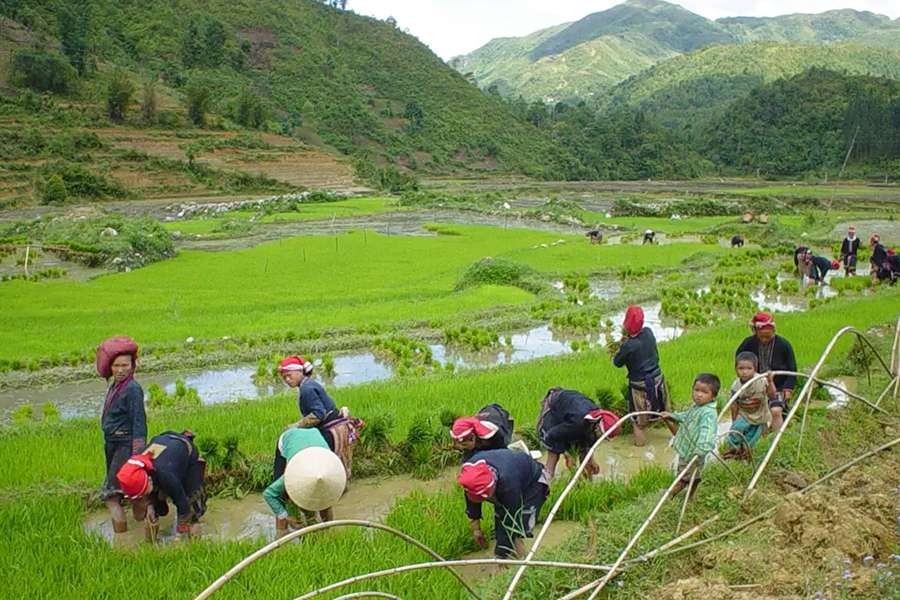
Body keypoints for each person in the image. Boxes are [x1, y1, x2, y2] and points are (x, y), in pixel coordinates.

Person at [278, 356, 363, 480]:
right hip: (337, 427)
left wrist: (296, 426)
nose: (287, 379)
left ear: (299, 372)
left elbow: (319, 414)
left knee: (332, 469)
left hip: (333, 431)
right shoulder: (309, 384)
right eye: (284, 377)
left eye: (289, 375)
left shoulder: (306, 389)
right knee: (339, 469)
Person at [458, 448, 550, 559]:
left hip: (532, 483)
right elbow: (472, 503)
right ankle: (519, 557)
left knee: (520, 525)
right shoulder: (471, 473)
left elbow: (511, 521)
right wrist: (476, 530)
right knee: (501, 520)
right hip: (508, 470)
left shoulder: (508, 485)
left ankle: (522, 561)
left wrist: (499, 556)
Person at [116, 430, 206, 540]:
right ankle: (151, 543)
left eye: (143, 494)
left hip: (186, 454)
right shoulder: (135, 469)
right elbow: (139, 503)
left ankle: (195, 546)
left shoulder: (166, 476)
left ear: (148, 480)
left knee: (192, 512)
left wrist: (179, 537)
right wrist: (149, 508)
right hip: (165, 447)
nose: (143, 497)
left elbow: (183, 508)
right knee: (153, 511)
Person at [97, 337, 147, 534]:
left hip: (124, 446)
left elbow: (139, 423)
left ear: (133, 366)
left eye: (125, 365)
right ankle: (144, 525)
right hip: (113, 444)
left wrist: (137, 457)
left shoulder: (133, 389)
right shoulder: (116, 385)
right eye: (116, 366)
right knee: (131, 492)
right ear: (110, 367)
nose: (120, 370)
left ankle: (122, 539)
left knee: (110, 494)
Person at [613, 305, 670, 447]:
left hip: (640, 386)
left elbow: (617, 362)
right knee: (667, 414)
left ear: (626, 323)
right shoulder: (649, 333)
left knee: (638, 422)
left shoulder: (628, 346)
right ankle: (681, 438)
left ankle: (639, 453)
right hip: (658, 379)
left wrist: (621, 347)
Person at [536, 388, 620, 479]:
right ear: (597, 427)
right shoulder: (578, 422)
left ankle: (586, 483)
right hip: (554, 409)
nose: (601, 439)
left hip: (572, 415)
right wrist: (567, 454)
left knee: (585, 451)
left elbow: (587, 441)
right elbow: (552, 435)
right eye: (602, 436)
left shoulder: (594, 420)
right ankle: (546, 483)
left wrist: (591, 459)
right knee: (554, 454)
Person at [660, 373, 720, 500]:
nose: (698, 394)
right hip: (688, 449)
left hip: (695, 451)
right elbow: (686, 416)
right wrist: (672, 416)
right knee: (692, 474)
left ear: (713, 396)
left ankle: (670, 495)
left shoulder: (708, 413)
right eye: (696, 390)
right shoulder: (697, 407)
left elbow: (707, 432)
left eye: (704, 392)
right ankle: (690, 495)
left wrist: (701, 449)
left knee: (684, 475)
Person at [264, 427, 333, 536]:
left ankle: (327, 531)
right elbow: (269, 494)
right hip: (290, 439)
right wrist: (286, 516)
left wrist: (328, 529)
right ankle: (281, 535)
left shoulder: (331, 475)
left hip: (314, 438)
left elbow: (327, 502)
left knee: (325, 501)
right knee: (283, 497)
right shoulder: (292, 475)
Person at [735, 312, 797, 433]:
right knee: (751, 411)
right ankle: (754, 435)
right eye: (762, 336)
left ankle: (776, 438)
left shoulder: (784, 345)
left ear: (774, 332)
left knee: (776, 410)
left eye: (768, 336)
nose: (764, 340)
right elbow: (739, 364)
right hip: (755, 386)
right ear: (755, 332)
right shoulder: (747, 344)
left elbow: (792, 369)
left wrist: (788, 388)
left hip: (777, 386)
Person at [723, 352, 774, 460]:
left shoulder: (761, 380)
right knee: (735, 431)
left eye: (748, 368)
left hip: (760, 415)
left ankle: (748, 453)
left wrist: (770, 381)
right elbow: (734, 404)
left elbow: (772, 395)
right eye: (741, 368)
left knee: (754, 437)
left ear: (755, 369)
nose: (744, 372)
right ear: (736, 370)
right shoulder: (736, 385)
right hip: (744, 414)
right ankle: (735, 450)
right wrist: (734, 420)